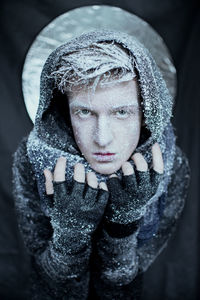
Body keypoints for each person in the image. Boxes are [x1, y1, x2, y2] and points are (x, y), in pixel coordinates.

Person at [12, 30, 190, 299]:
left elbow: (121, 283)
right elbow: (51, 283)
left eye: (121, 112)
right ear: (65, 110)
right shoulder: (33, 159)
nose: (102, 138)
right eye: (84, 112)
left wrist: (124, 221)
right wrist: (70, 232)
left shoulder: (168, 165)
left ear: (145, 113)